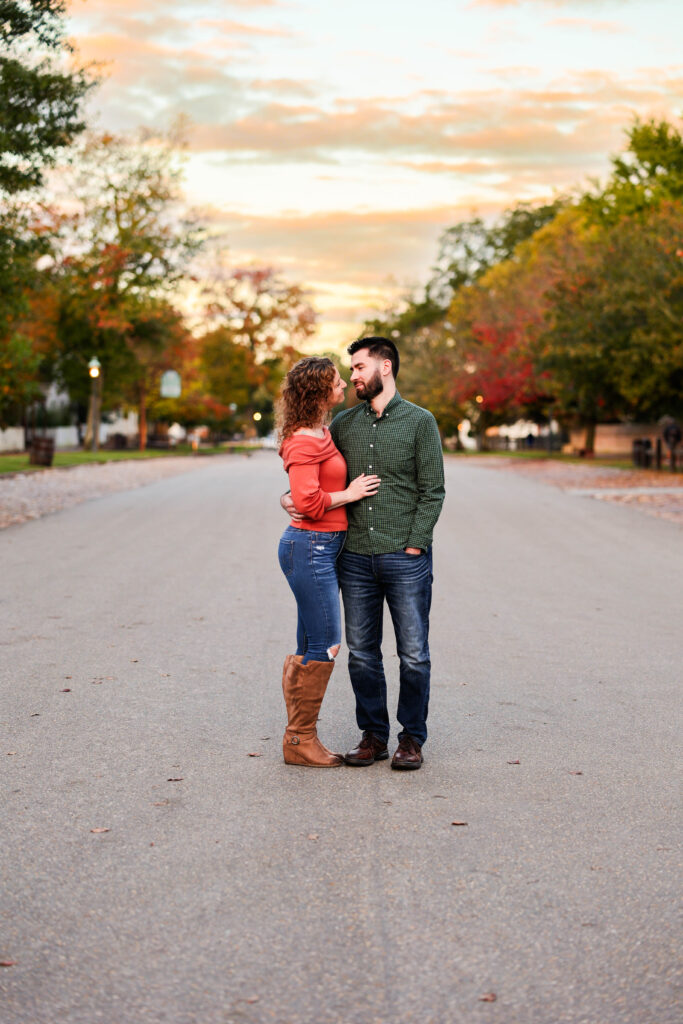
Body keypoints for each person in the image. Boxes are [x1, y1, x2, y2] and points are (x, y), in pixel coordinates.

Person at [282, 337, 445, 770]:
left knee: (413, 653)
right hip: (353, 557)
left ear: (385, 367)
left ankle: (411, 739)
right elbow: (311, 477)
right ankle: (373, 735)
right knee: (362, 653)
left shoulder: (420, 422)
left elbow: (433, 491)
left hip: (405, 557)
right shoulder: (344, 425)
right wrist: (288, 497)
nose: (352, 376)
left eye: (358, 367)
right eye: (349, 370)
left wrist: (415, 542)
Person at [276, 356, 380, 768]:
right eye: (337, 382)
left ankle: (297, 739)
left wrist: (289, 498)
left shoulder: (322, 431)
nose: (343, 386)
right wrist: (351, 495)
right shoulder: (305, 437)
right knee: (327, 644)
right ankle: (301, 738)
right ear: (320, 391)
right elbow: (307, 501)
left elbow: (299, 493)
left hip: (320, 547)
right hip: (310, 547)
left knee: (309, 644)